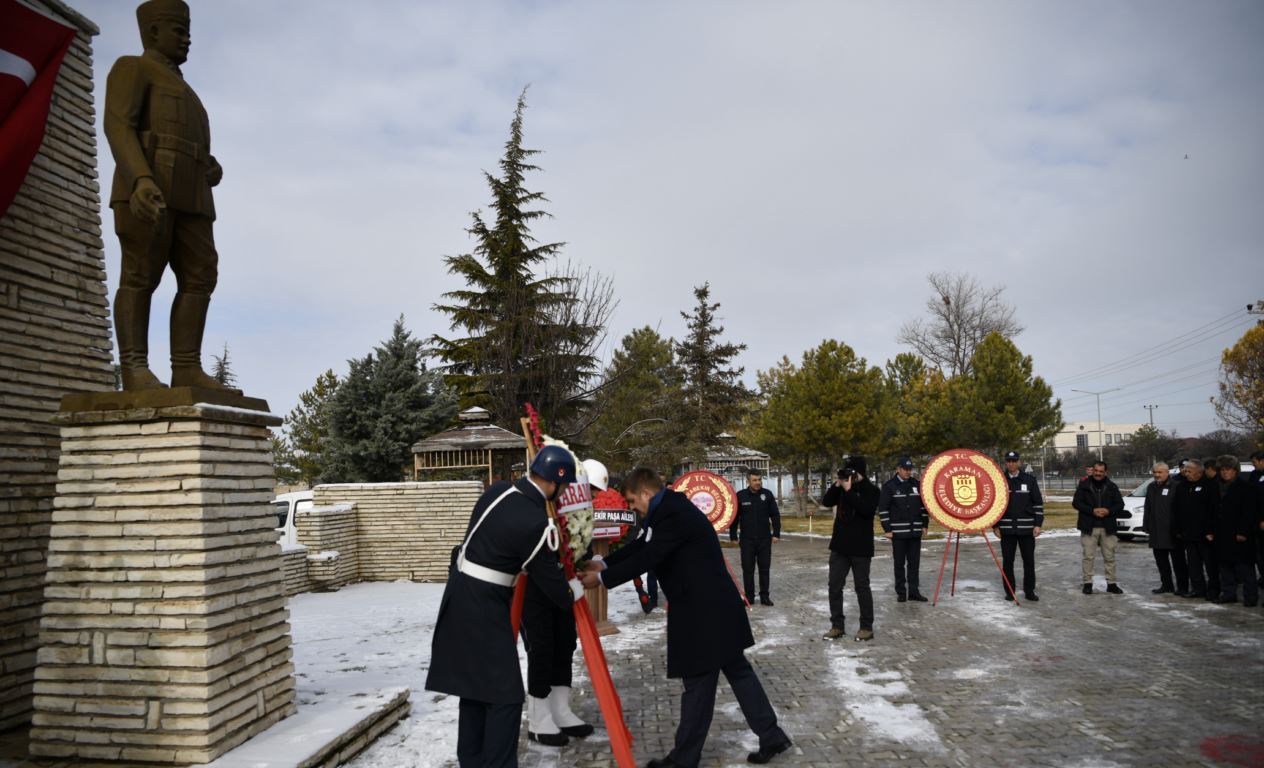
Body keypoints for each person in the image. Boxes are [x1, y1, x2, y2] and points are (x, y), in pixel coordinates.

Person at [581, 468, 791, 767]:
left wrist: (602, 580)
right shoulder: (666, 509)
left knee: (698, 685)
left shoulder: (673, 513)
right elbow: (641, 546)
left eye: (631, 501)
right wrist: (602, 564)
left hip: (703, 613)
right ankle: (771, 735)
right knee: (738, 673)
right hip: (714, 608)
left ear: (646, 494)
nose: (630, 508)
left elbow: (649, 557)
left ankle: (684, 759)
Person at [104, 0, 236, 392]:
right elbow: (119, 127)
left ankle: (186, 367)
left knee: (201, 275)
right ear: (152, 32)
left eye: (187, 30)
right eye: (178, 30)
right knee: (141, 273)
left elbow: (184, 140)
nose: (186, 38)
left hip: (193, 196)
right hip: (150, 188)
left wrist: (210, 166)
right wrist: (140, 179)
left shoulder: (187, 91)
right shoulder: (133, 68)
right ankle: (134, 368)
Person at [426, 446, 583, 768]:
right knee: (507, 697)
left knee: (473, 689)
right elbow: (557, 591)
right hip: (484, 606)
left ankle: (472, 760)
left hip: (458, 594)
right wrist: (577, 587)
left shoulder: (498, 490)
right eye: (565, 487)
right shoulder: (535, 523)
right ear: (556, 481)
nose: (564, 493)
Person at [519, 459, 607, 747]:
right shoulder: (541, 506)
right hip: (535, 591)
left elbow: (581, 545)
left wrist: (581, 563)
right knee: (541, 649)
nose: (593, 496)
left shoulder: (576, 512)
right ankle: (539, 717)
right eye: (590, 490)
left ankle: (561, 709)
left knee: (565, 644)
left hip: (563, 590)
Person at [821, 457, 880, 641]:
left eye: (850, 472)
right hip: (840, 547)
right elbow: (827, 502)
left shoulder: (872, 490)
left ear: (859, 473)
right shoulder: (842, 488)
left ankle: (866, 627)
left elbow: (866, 510)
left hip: (861, 547)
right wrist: (838, 485)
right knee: (834, 586)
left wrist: (849, 491)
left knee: (862, 587)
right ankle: (837, 625)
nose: (848, 475)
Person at [992, 451, 1044, 601]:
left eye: (1014, 461)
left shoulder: (1029, 480)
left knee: (1029, 561)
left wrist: (1038, 524)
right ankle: (1009, 591)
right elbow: (994, 506)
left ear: (1019, 462)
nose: (1011, 464)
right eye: (1008, 461)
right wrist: (995, 526)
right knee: (1008, 562)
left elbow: (1037, 504)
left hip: (1027, 530)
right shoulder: (999, 481)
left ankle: (1029, 591)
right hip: (1007, 530)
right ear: (1005, 463)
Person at [878, 457, 929, 602]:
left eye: (909, 469)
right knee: (899, 563)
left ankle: (914, 591)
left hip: (914, 531)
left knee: (914, 563)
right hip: (898, 532)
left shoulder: (916, 484)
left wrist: (924, 524)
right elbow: (883, 509)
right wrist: (887, 529)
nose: (908, 472)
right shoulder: (889, 486)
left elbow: (923, 506)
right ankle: (901, 592)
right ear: (898, 469)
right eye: (905, 469)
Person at [1211, 456, 1259, 607]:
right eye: (1222, 470)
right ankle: (1228, 593)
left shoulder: (1246, 488)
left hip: (1240, 533)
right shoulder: (1216, 487)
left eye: (1228, 470)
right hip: (1222, 533)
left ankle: (1251, 596)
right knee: (1225, 566)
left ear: (1235, 471)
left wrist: (1243, 532)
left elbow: (1249, 512)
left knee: (1244, 567)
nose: (1225, 473)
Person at [730, 470, 782, 606]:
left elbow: (775, 515)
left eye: (759, 479)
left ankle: (765, 596)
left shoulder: (767, 495)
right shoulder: (740, 496)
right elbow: (735, 518)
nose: (758, 482)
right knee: (748, 569)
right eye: (754, 480)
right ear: (748, 481)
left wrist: (776, 533)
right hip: (747, 540)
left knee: (764, 569)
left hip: (764, 539)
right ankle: (749, 597)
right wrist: (733, 536)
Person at [1073, 460, 1125, 594]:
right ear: (1092, 470)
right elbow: (1076, 503)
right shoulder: (1084, 485)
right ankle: (1087, 583)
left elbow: (1120, 504)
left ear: (1105, 472)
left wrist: (1108, 511)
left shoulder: (1112, 486)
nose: (1098, 473)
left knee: (1110, 557)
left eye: (1101, 471)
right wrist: (1092, 510)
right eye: (1096, 471)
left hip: (1108, 527)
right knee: (1088, 557)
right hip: (1089, 527)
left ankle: (1112, 584)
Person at [1172, 459, 1218, 601]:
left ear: (1199, 471)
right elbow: (1176, 509)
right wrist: (1178, 529)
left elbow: (1214, 510)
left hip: (1205, 534)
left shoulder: (1210, 485)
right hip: (1188, 533)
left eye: (1189, 471)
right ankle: (1198, 589)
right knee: (1193, 565)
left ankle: (1214, 590)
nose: (1186, 474)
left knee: (1211, 565)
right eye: (1185, 471)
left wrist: (1211, 530)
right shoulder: (1182, 487)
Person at [1142, 462, 1188, 595]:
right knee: (1161, 562)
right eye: (1155, 472)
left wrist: (1180, 528)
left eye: (1160, 472)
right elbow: (1148, 507)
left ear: (1167, 473)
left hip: (1172, 531)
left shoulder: (1176, 486)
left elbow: (1181, 510)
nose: (1157, 475)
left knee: (1178, 562)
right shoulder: (1151, 487)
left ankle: (1183, 587)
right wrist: (1146, 525)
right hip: (1156, 530)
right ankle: (1166, 585)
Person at [1249, 450, 1264, 588]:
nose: (1254, 465)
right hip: (1255, 521)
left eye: (1254, 462)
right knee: (1258, 554)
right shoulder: (1254, 475)